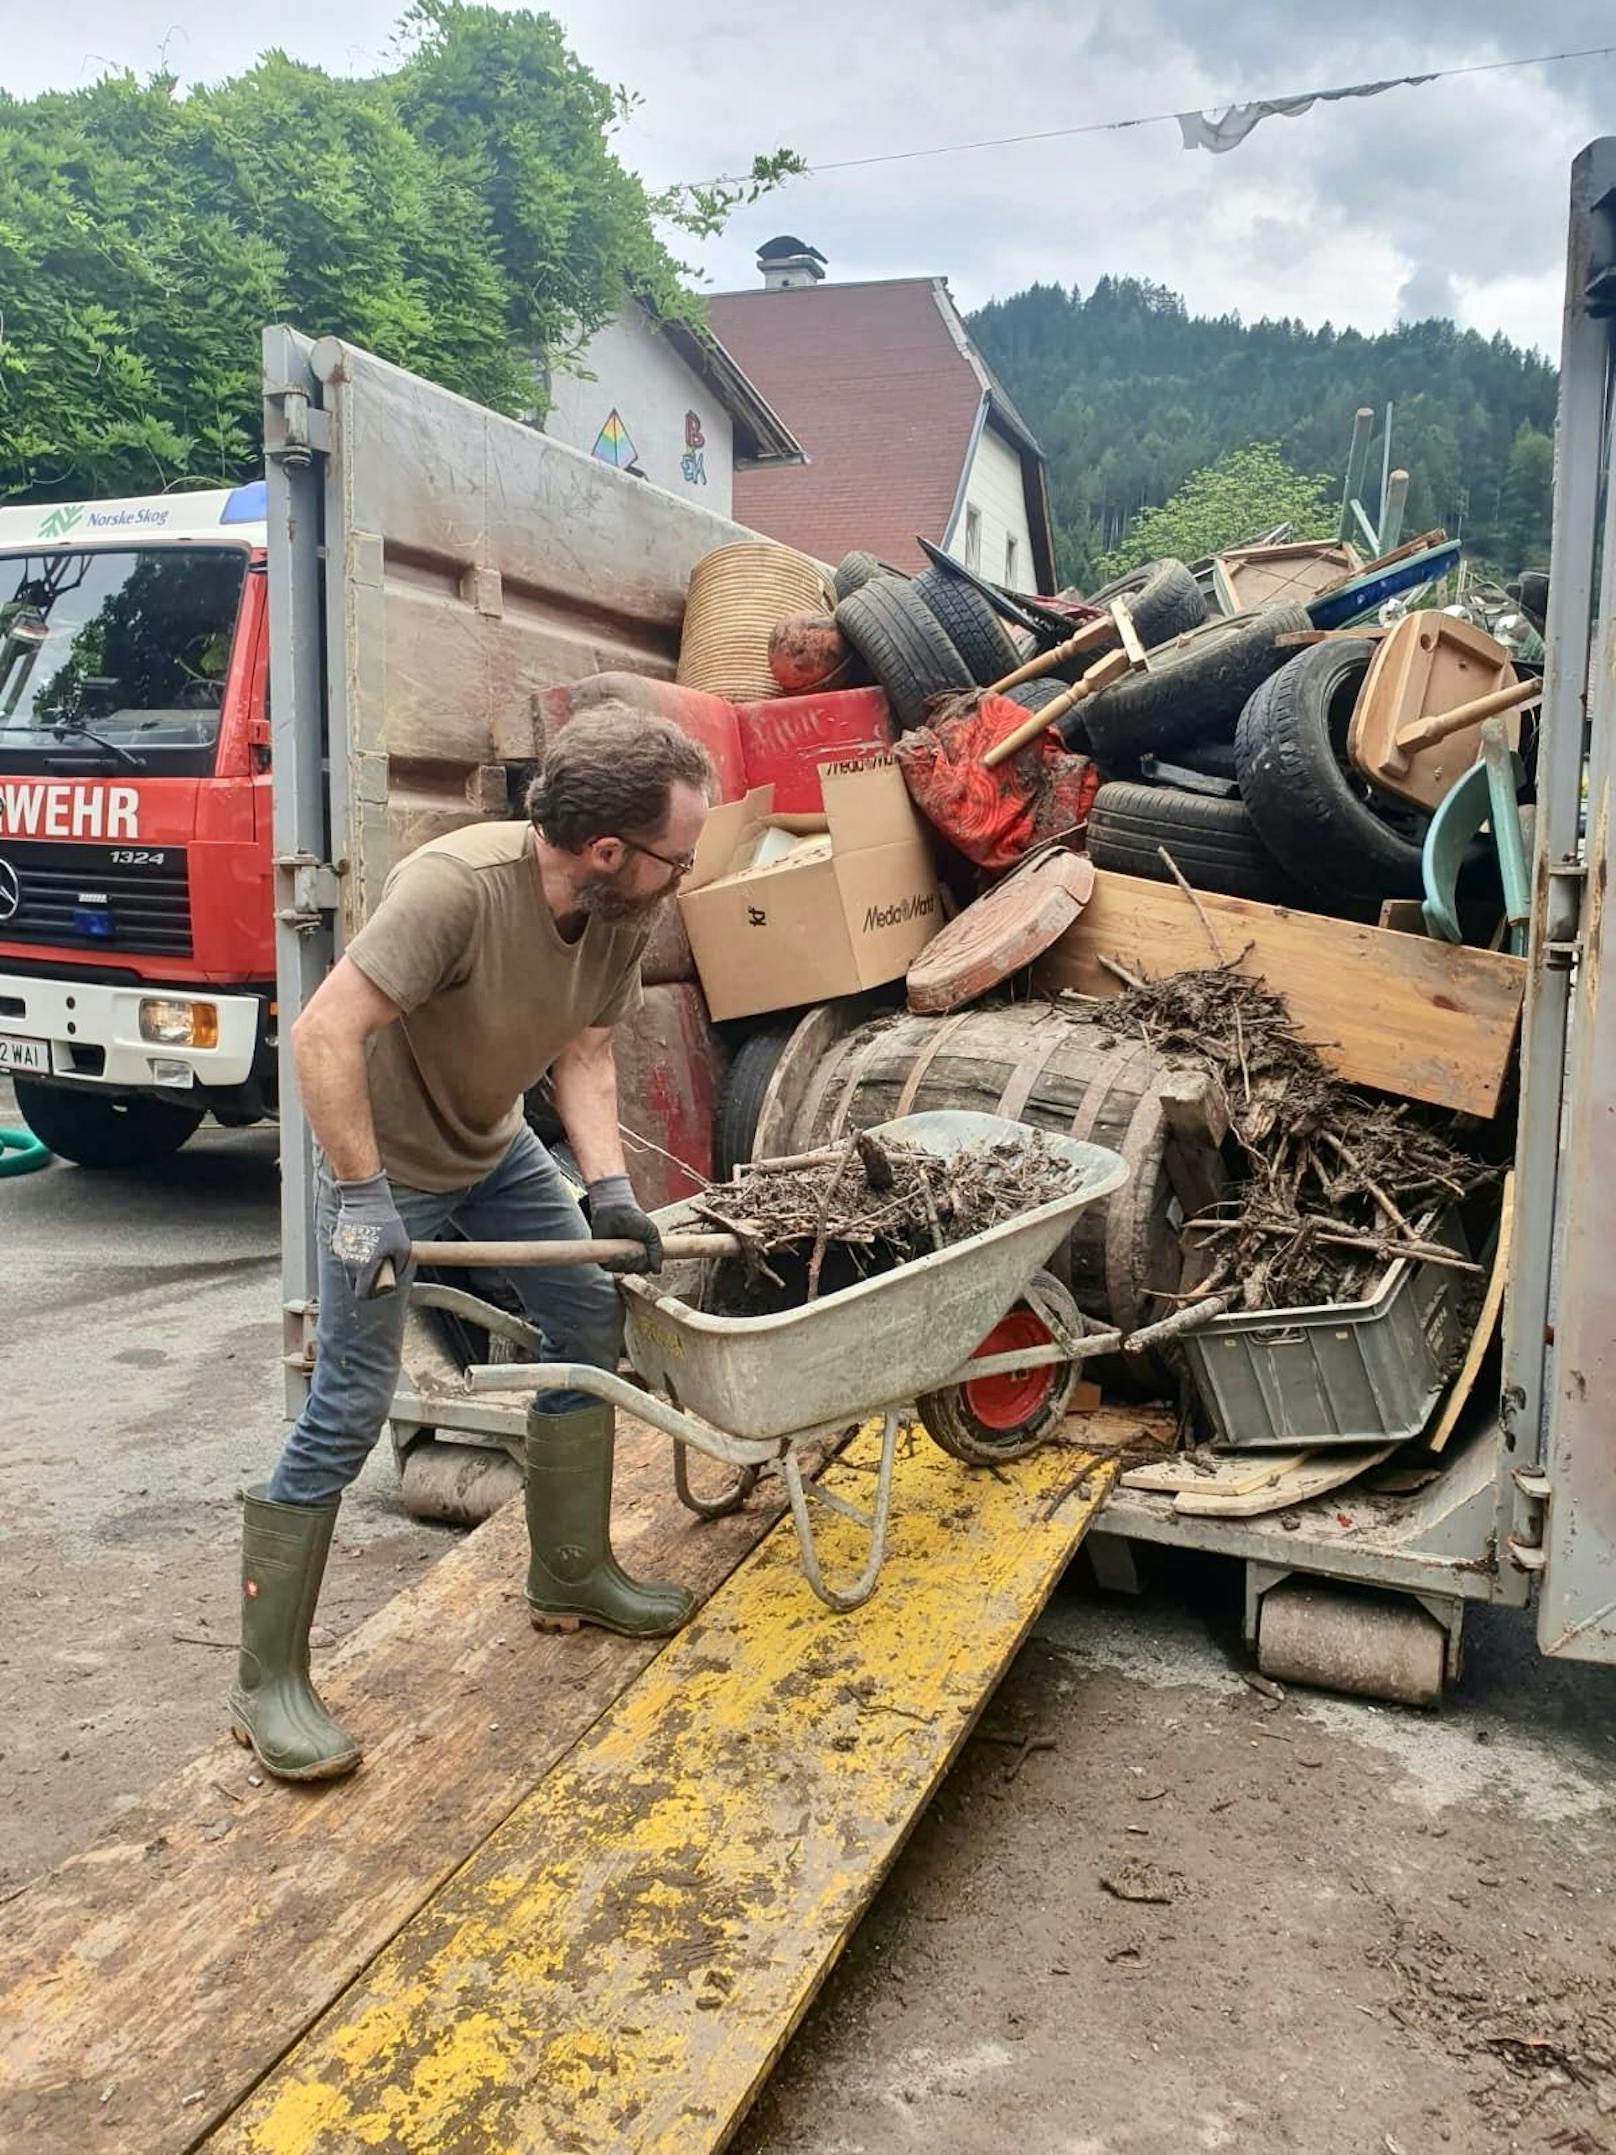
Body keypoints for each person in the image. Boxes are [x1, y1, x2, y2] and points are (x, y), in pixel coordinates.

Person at [229, 705, 713, 1783]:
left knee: (587, 1319)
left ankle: (570, 1570)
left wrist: (608, 1192)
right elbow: (321, 1034)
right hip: (383, 1161)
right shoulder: (456, 888)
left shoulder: (620, 913)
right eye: (676, 855)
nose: (683, 872)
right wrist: (360, 1201)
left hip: (492, 1151)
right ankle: (265, 1682)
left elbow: (583, 1057)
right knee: (351, 1398)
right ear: (606, 850)